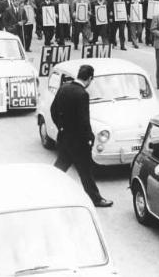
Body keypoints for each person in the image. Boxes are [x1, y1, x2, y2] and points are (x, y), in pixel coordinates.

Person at [51, 65, 113, 208]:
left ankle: (49, 190)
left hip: (64, 137)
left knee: (60, 168)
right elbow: (84, 120)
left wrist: (61, 127)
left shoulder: (64, 88)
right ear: (90, 78)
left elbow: (53, 110)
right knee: (85, 172)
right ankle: (96, 199)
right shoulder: (82, 94)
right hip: (78, 142)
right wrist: (90, 138)